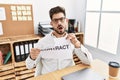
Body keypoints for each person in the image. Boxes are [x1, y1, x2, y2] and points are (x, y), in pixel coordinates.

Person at [25, 6, 93, 76]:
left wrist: (77, 44)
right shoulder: (43, 42)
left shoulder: (72, 40)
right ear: (51, 23)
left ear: (66, 21)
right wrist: (32, 57)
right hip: (49, 77)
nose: (59, 23)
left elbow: (89, 62)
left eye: (62, 19)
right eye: (55, 20)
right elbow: (29, 66)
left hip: (68, 76)